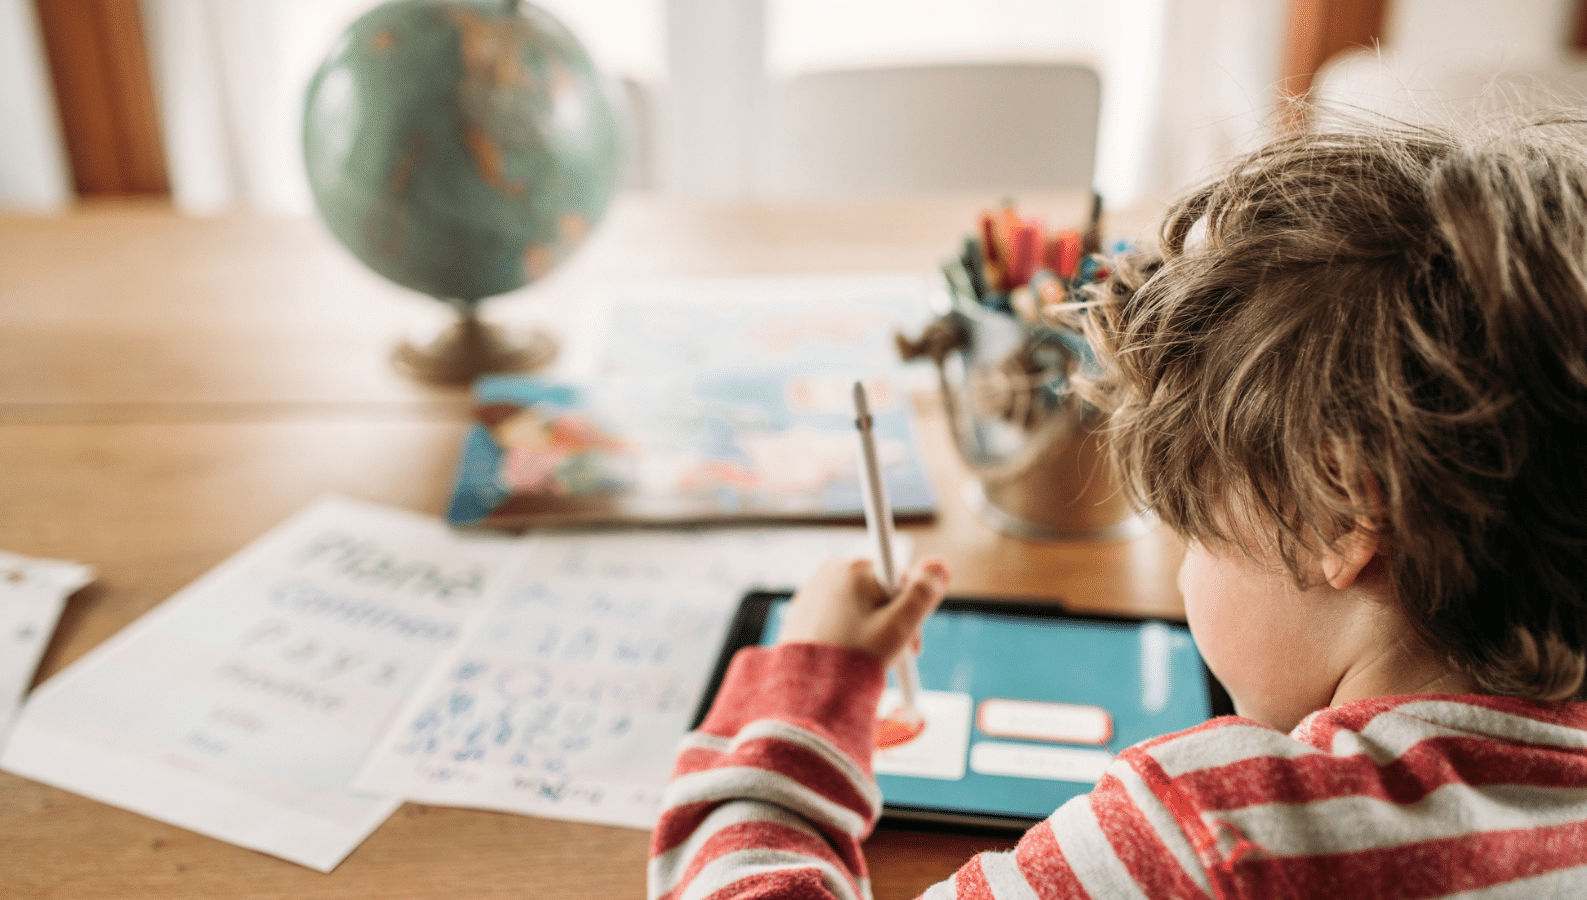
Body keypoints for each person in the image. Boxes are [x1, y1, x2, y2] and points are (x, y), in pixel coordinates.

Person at [648, 115, 1587, 899]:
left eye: (1192, 530)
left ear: (1340, 516)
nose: (1184, 570)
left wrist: (803, 702)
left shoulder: (1213, 832)